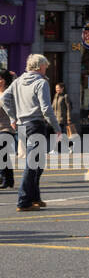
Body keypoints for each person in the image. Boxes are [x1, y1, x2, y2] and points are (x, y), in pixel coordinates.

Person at [1, 54, 59, 212]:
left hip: (22, 125)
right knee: (33, 164)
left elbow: (4, 98)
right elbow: (46, 108)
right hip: (35, 125)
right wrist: (57, 127)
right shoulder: (41, 82)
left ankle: (34, 197)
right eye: (45, 66)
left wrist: (13, 117)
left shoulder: (18, 81)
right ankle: (23, 201)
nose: (46, 68)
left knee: (37, 164)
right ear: (40, 66)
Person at [0, 70, 15, 188]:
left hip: (7, 127)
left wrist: (14, 76)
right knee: (3, 154)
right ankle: (9, 179)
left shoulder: (9, 93)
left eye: (1, 78)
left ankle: (4, 178)